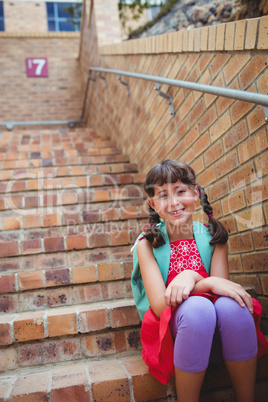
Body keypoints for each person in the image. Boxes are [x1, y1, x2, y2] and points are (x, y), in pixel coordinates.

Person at [131, 159, 268, 402]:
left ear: (195, 193)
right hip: (175, 321)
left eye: (181, 191)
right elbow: (161, 306)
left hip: (214, 318)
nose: (173, 202)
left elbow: (223, 291)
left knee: (234, 307)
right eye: (163, 195)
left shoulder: (214, 236)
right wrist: (198, 278)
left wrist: (191, 277)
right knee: (197, 308)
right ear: (152, 204)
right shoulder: (147, 243)